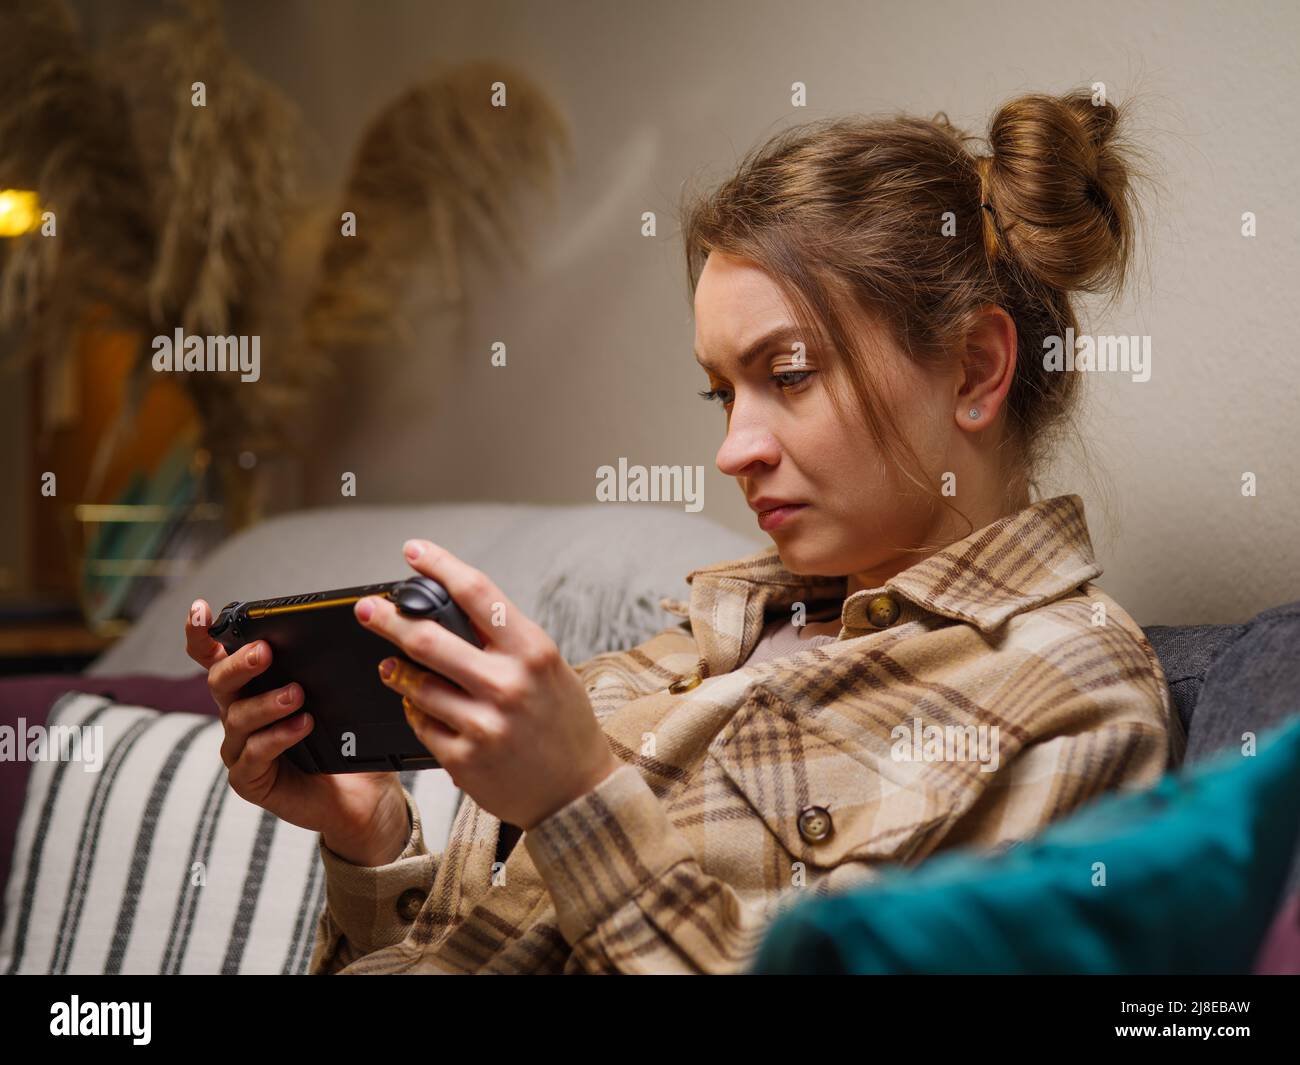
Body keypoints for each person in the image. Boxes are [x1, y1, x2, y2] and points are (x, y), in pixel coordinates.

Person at [185, 87, 1185, 974]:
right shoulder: (684, 644)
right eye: (721, 393)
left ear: (972, 370)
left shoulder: (1073, 698)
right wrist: (375, 844)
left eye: (786, 374)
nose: (733, 449)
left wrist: (580, 802)